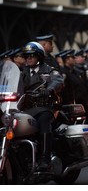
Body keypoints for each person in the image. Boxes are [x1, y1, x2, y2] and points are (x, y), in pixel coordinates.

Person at [21, 41, 64, 172]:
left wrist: (49, 89)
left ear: (39, 56)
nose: (28, 58)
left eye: (32, 55)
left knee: (44, 120)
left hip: (45, 108)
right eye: (26, 56)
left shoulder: (48, 70)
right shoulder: (22, 73)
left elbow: (58, 80)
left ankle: (45, 160)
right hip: (26, 110)